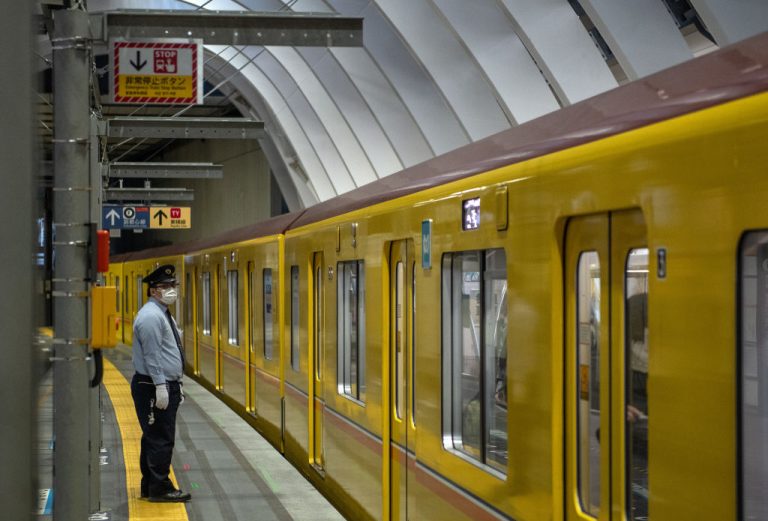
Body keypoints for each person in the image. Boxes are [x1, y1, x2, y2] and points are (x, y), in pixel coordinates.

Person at [131, 264, 191, 503]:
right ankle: (160, 488)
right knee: (160, 437)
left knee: (153, 436)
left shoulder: (160, 313)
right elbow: (152, 356)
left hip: (162, 383)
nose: (171, 290)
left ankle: (150, 485)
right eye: (165, 287)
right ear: (153, 291)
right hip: (152, 386)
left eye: (172, 286)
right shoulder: (150, 317)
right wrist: (161, 387)